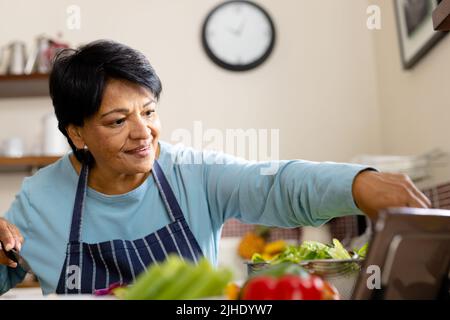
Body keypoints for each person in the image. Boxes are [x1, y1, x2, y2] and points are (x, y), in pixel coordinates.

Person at [0, 40, 431, 295]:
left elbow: (274, 185)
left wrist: (358, 184)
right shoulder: (39, 202)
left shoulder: (192, 172)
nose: (143, 133)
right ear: (77, 135)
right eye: (117, 121)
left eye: (148, 112)